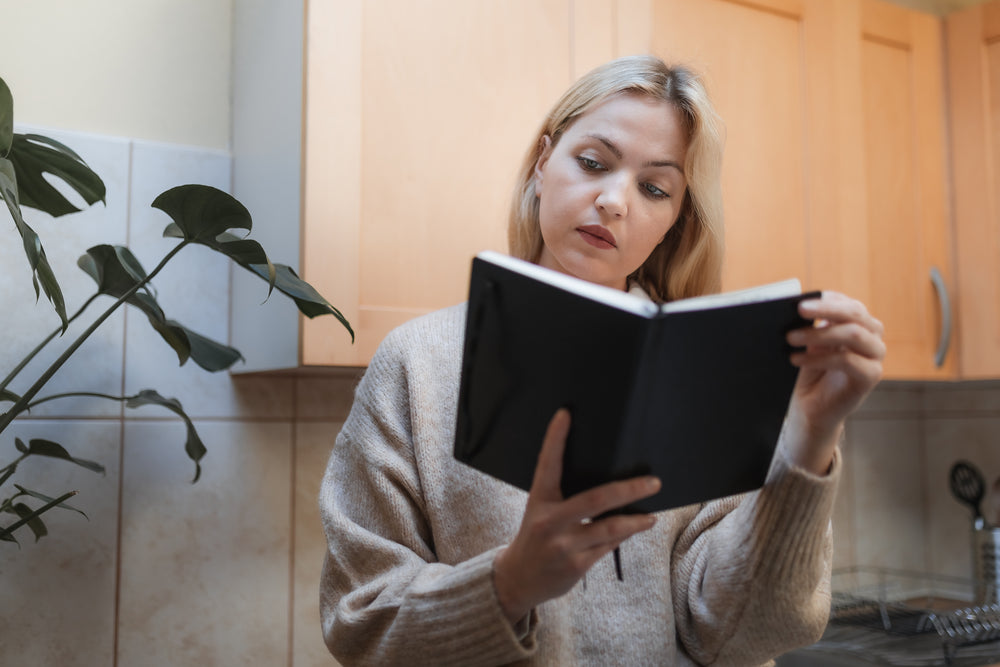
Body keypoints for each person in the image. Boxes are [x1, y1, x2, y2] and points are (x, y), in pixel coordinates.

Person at [318, 54, 885, 666]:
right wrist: (512, 582)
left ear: (672, 223)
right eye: (593, 163)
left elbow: (740, 634)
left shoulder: (710, 377)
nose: (615, 201)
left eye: (654, 188)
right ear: (542, 164)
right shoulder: (416, 365)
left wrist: (809, 439)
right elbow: (361, 621)